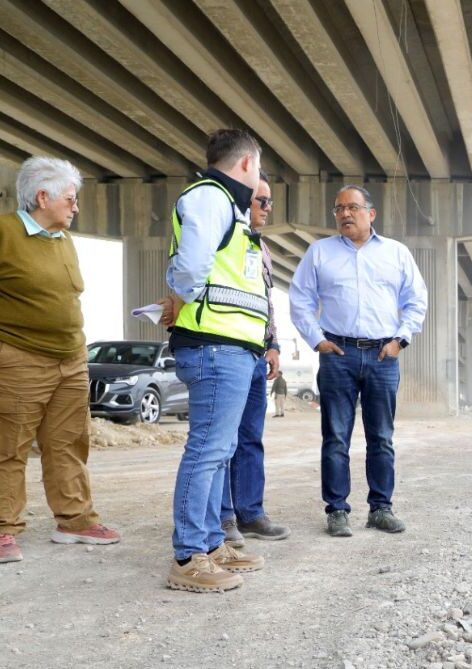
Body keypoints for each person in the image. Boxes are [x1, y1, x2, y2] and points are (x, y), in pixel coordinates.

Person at [0, 157, 121, 563]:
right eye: (70, 199)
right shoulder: (5, 232)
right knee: (8, 446)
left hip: (71, 359)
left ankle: (75, 520)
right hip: (19, 358)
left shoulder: (63, 240)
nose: (75, 207)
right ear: (42, 197)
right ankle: (2, 528)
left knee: (68, 443)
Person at [163, 129, 268, 592]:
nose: (259, 176)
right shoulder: (211, 196)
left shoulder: (229, 206)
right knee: (207, 450)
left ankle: (209, 542)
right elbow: (191, 265)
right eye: (260, 167)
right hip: (213, 343)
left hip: (232, 344)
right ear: (247, 164)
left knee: (220, 451)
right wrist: (179, 296)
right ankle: (188, 556)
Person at [290, 185, 428, 538]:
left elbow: (416, 299)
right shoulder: (320, 253)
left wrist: (401, 339)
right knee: (336, 436)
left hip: (384, 355)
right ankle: (337, 510)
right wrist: (317, 340)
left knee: (381, 436)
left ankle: (381, 508)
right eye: (339, 209)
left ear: (371, 213)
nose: (345, 214)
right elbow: (300, 298)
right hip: (338, 354)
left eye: (352, 207)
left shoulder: (396, 253)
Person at [219, 172, 289, 546]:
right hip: (229, 350)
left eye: (270, 201)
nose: (268, 208)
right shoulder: (223, 236)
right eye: (262, 200)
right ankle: (224, 518)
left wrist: (274, 344)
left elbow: (265, 301)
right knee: (223, 441)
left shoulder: (260, 246)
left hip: (256, 353)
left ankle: (250, 512)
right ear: (244, 199)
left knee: (250, 438)